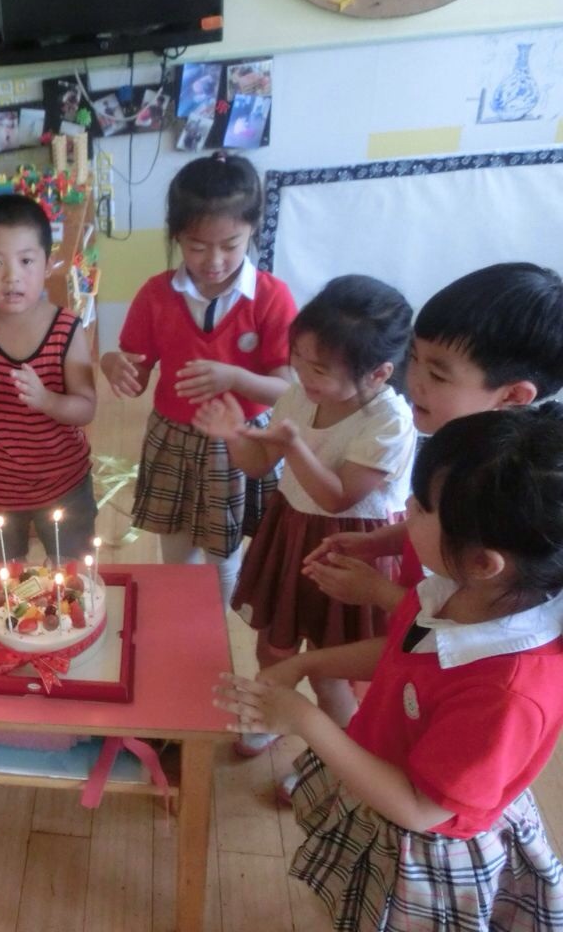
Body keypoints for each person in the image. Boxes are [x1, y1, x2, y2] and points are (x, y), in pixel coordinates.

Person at [216, 404, 563, 930]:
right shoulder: (464, 593)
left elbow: (420, 808)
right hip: (382, 770)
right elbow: (404, 651)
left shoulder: (507, 695)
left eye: (420, 508)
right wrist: (308, 662)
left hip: (423, 842)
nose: (404, 510)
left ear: (484, 562)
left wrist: (305, 719)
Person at [195, 277, 416, 755]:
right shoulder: (300, 396)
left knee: (328, 668)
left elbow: (338, 498)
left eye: (319, 368)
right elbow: (258, 464)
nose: (303, 374)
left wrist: (293, 445)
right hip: (291, 529)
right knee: (272, 647)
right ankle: (270, 716)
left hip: (350, 547)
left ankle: (338, 759)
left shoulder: (389, 421)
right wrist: (234, 434)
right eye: (298, 358)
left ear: (378, 374)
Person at [305, 263, 563, 614]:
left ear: (513, 396)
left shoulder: (504, 493)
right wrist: (377, 542)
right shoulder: (458, 445)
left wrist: (379, 593)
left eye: (438, 375)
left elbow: (467, 629)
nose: (414, 381)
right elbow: (435, 521)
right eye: (413, 357)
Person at [100, 151, 296, 601]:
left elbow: (286, 389)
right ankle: (182, 623)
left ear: (252, 230)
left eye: (230, 244)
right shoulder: (156, 294)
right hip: (173, 437)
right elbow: (136, 370)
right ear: (176, 236)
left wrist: (235, 378)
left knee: (223, 557)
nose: (214, 260)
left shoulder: (271, 297)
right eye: (196, 245)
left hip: (241, 441)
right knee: (175, 552)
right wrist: (114, 364)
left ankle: (214, 630)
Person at [0, 193, 95, 562]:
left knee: (71, 575)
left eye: (26, 261)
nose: (12, 277)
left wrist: (48, 400)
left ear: (48, 264)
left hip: (65, 483)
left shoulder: (66, 329)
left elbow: (86, 408)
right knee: (8, 581)